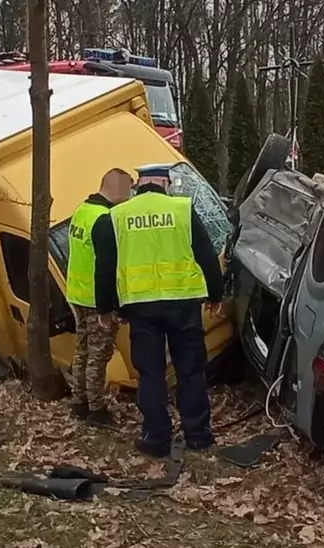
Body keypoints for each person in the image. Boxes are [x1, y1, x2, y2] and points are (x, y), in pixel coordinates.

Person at [93, 163, 225, 458]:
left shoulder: (116, 216)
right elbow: (205, 254)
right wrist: (216, 294)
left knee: (150, 373)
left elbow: (104, 267)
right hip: (183, 304)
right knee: (190, 371)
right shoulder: (181, 209)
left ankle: (156, 438)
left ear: (140, 183)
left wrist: (105, 307)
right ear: (165, 183)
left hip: (141, 308)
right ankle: (198, 435)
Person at [66, 168, 134, 428]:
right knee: (98, 354)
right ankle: (96, 409)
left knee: (82, 350)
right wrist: (111, 306)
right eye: (128, 190)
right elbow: (106, 268)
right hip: (96, 300)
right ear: (118, 189)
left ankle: (80, 402)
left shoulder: (82, 211)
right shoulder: (105, 220)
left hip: (77, 294)